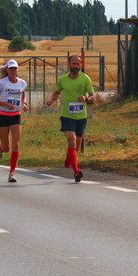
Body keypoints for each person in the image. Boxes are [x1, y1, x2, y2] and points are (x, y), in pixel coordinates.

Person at [46, 54, 95, 183]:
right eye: (73, 64)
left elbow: (93, 96)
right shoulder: (62, 80)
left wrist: (86, 99)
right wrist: (52, 100)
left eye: (78, 64)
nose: (76, 66)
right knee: (71, 141)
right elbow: (57, 92)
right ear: (69, 65)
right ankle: (76, 172)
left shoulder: (85, 79)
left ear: (81, 65)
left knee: (76, 146)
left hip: (81, 116)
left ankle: (69, 158)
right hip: (67, 115)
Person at [0, 59, 28, 182]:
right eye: (11, 69)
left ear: (17, 70)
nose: (13, 71)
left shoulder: (22, 83)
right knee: (7, 147)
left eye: (15, 68)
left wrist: (24, 104)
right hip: (3, 116)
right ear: (7, 70)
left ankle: (12, 173)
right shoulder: (2, 83)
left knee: (15, 145)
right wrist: (5, 104)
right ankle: (1, 148)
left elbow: (22, 94)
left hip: (16, 115)